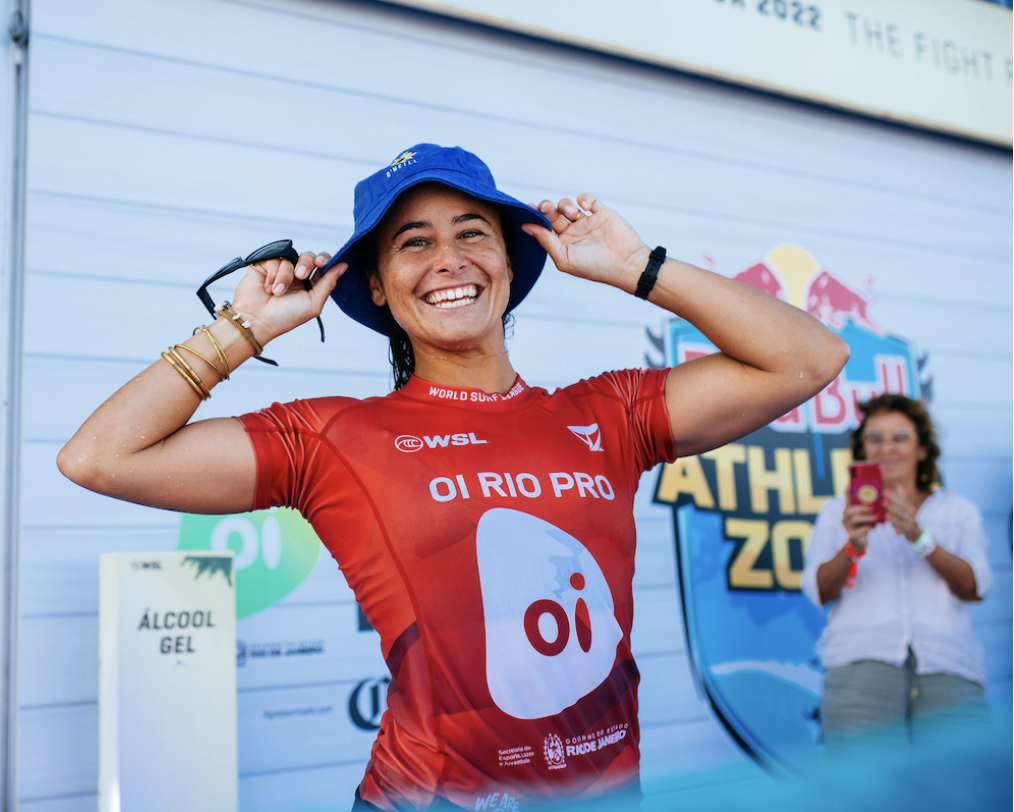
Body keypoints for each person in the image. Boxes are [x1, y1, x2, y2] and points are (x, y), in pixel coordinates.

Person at [59, 144, 848, 811]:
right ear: (376, 284)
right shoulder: (335, 436)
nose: (448, 261)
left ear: (510, 261)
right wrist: (244, 328)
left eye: (473, 233)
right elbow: (99, 457)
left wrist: (640, 267)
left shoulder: (609, 412)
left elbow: (810, 358)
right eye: (412, 242)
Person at [801, 394, 993, 757]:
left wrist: (919, 537)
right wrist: (852, 547)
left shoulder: (958, 510)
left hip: (949, 666)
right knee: (864, 796)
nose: (886, 447)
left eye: (899, 437)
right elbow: (819, 592)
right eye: (874, 438)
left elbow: (975, 587)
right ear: (862, 449)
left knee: (962, 793)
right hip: (859, 668)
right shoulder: (835, 513)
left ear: (922, 449)